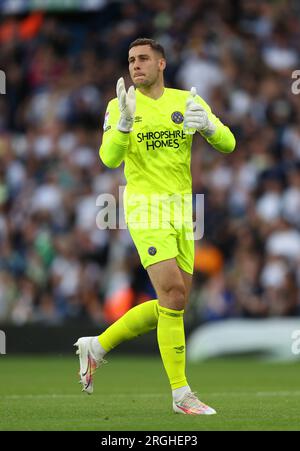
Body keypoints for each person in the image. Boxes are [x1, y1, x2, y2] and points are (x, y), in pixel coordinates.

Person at [74, 38, 235, 415]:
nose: (135, 65)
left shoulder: (186, 101)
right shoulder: (120, 105)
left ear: (161, 64)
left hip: (184, 212)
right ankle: (181, 395)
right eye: (131, 60)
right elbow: (109, 158)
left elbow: (229, 143)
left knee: (173, 302)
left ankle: (96, 346)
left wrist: (210, 126)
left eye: (144, 59)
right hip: (145, 209)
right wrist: (125, 125)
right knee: (174, 296)